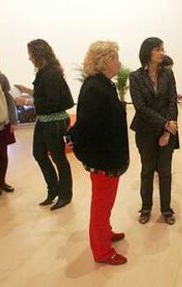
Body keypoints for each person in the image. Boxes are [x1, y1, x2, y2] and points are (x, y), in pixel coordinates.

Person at [69, 41, 129, 266]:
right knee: (101, 205)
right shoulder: (95, 88)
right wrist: (89, 156)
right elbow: (87, 128)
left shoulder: (103, 84)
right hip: (103, 158)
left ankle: (106, 232)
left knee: (106, 201)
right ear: (105, 61)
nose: (119, 63)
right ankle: (102, 251)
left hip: (109, 155)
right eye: (115, 58)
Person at [15, 39, 74, 210]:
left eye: (30, 55)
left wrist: (27, 100)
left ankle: (65, 194)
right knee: (39, 154)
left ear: (37, 54)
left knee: (59, 158)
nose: (29, 58)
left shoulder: (50, 73)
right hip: (45, 121)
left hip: (54, 121)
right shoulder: (47, 71)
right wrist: (28, 91)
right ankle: (54, 190)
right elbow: (45, 94)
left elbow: (52, 101)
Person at [130, 37, 179, 225]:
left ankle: (166, 209)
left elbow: (172, 102)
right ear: (148, 52)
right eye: (158, 49)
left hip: (167, 131)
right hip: (145, 131)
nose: (162, 52)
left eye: (163, 49)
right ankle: (146, 208)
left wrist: (167, 131)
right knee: (147, 170)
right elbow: (140, 107)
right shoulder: (136, 77)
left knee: (165, 172)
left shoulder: (168, 74)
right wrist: (165, 124)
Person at [0, 61, 18, 199]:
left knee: (2, 155)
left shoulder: (2, 78)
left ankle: (2, 183)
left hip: (2, 124)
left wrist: (14, 121)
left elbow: (9, 100)